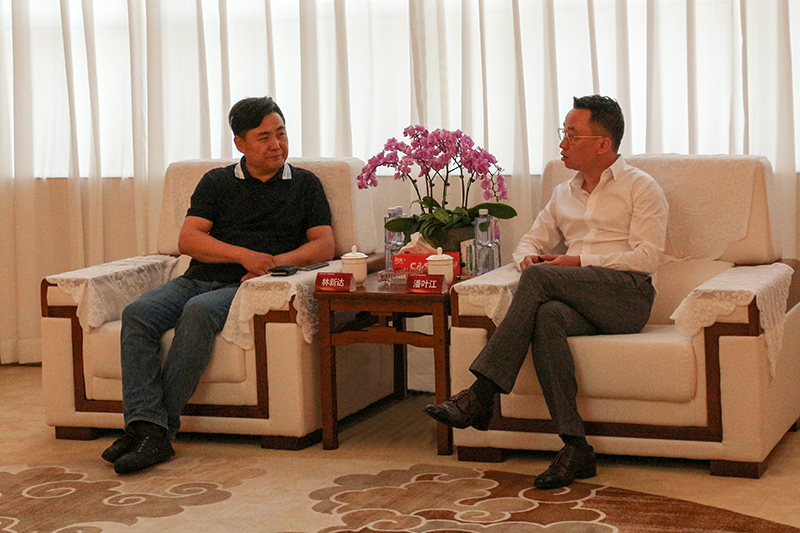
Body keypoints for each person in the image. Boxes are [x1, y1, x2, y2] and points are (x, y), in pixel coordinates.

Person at [424, 95, 668, 489]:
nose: (562, 143)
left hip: (628, 297)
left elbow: (646, 258)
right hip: (579, 298)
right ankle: (575, 446)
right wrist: (526, 259)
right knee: (546, 315)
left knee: (540, 280)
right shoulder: (562, 193)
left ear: (603, 144)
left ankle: (481, 393)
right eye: (563, 133)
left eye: (572, 135)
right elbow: (529, 241)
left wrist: (575, 262)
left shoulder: (641, 187)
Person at [103, 96, 335, 474]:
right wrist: (244, 255)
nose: (276, 144)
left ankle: (153, 431)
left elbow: (324, 244)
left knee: (198, 312)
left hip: (247, 288)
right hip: (196, 278)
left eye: (281, 133)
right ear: (240, 143)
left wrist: (271, 264)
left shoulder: (304, 184)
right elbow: (188, 240)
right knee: (138, 313)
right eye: (264, 137)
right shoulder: (216, 181)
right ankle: (148, 427)